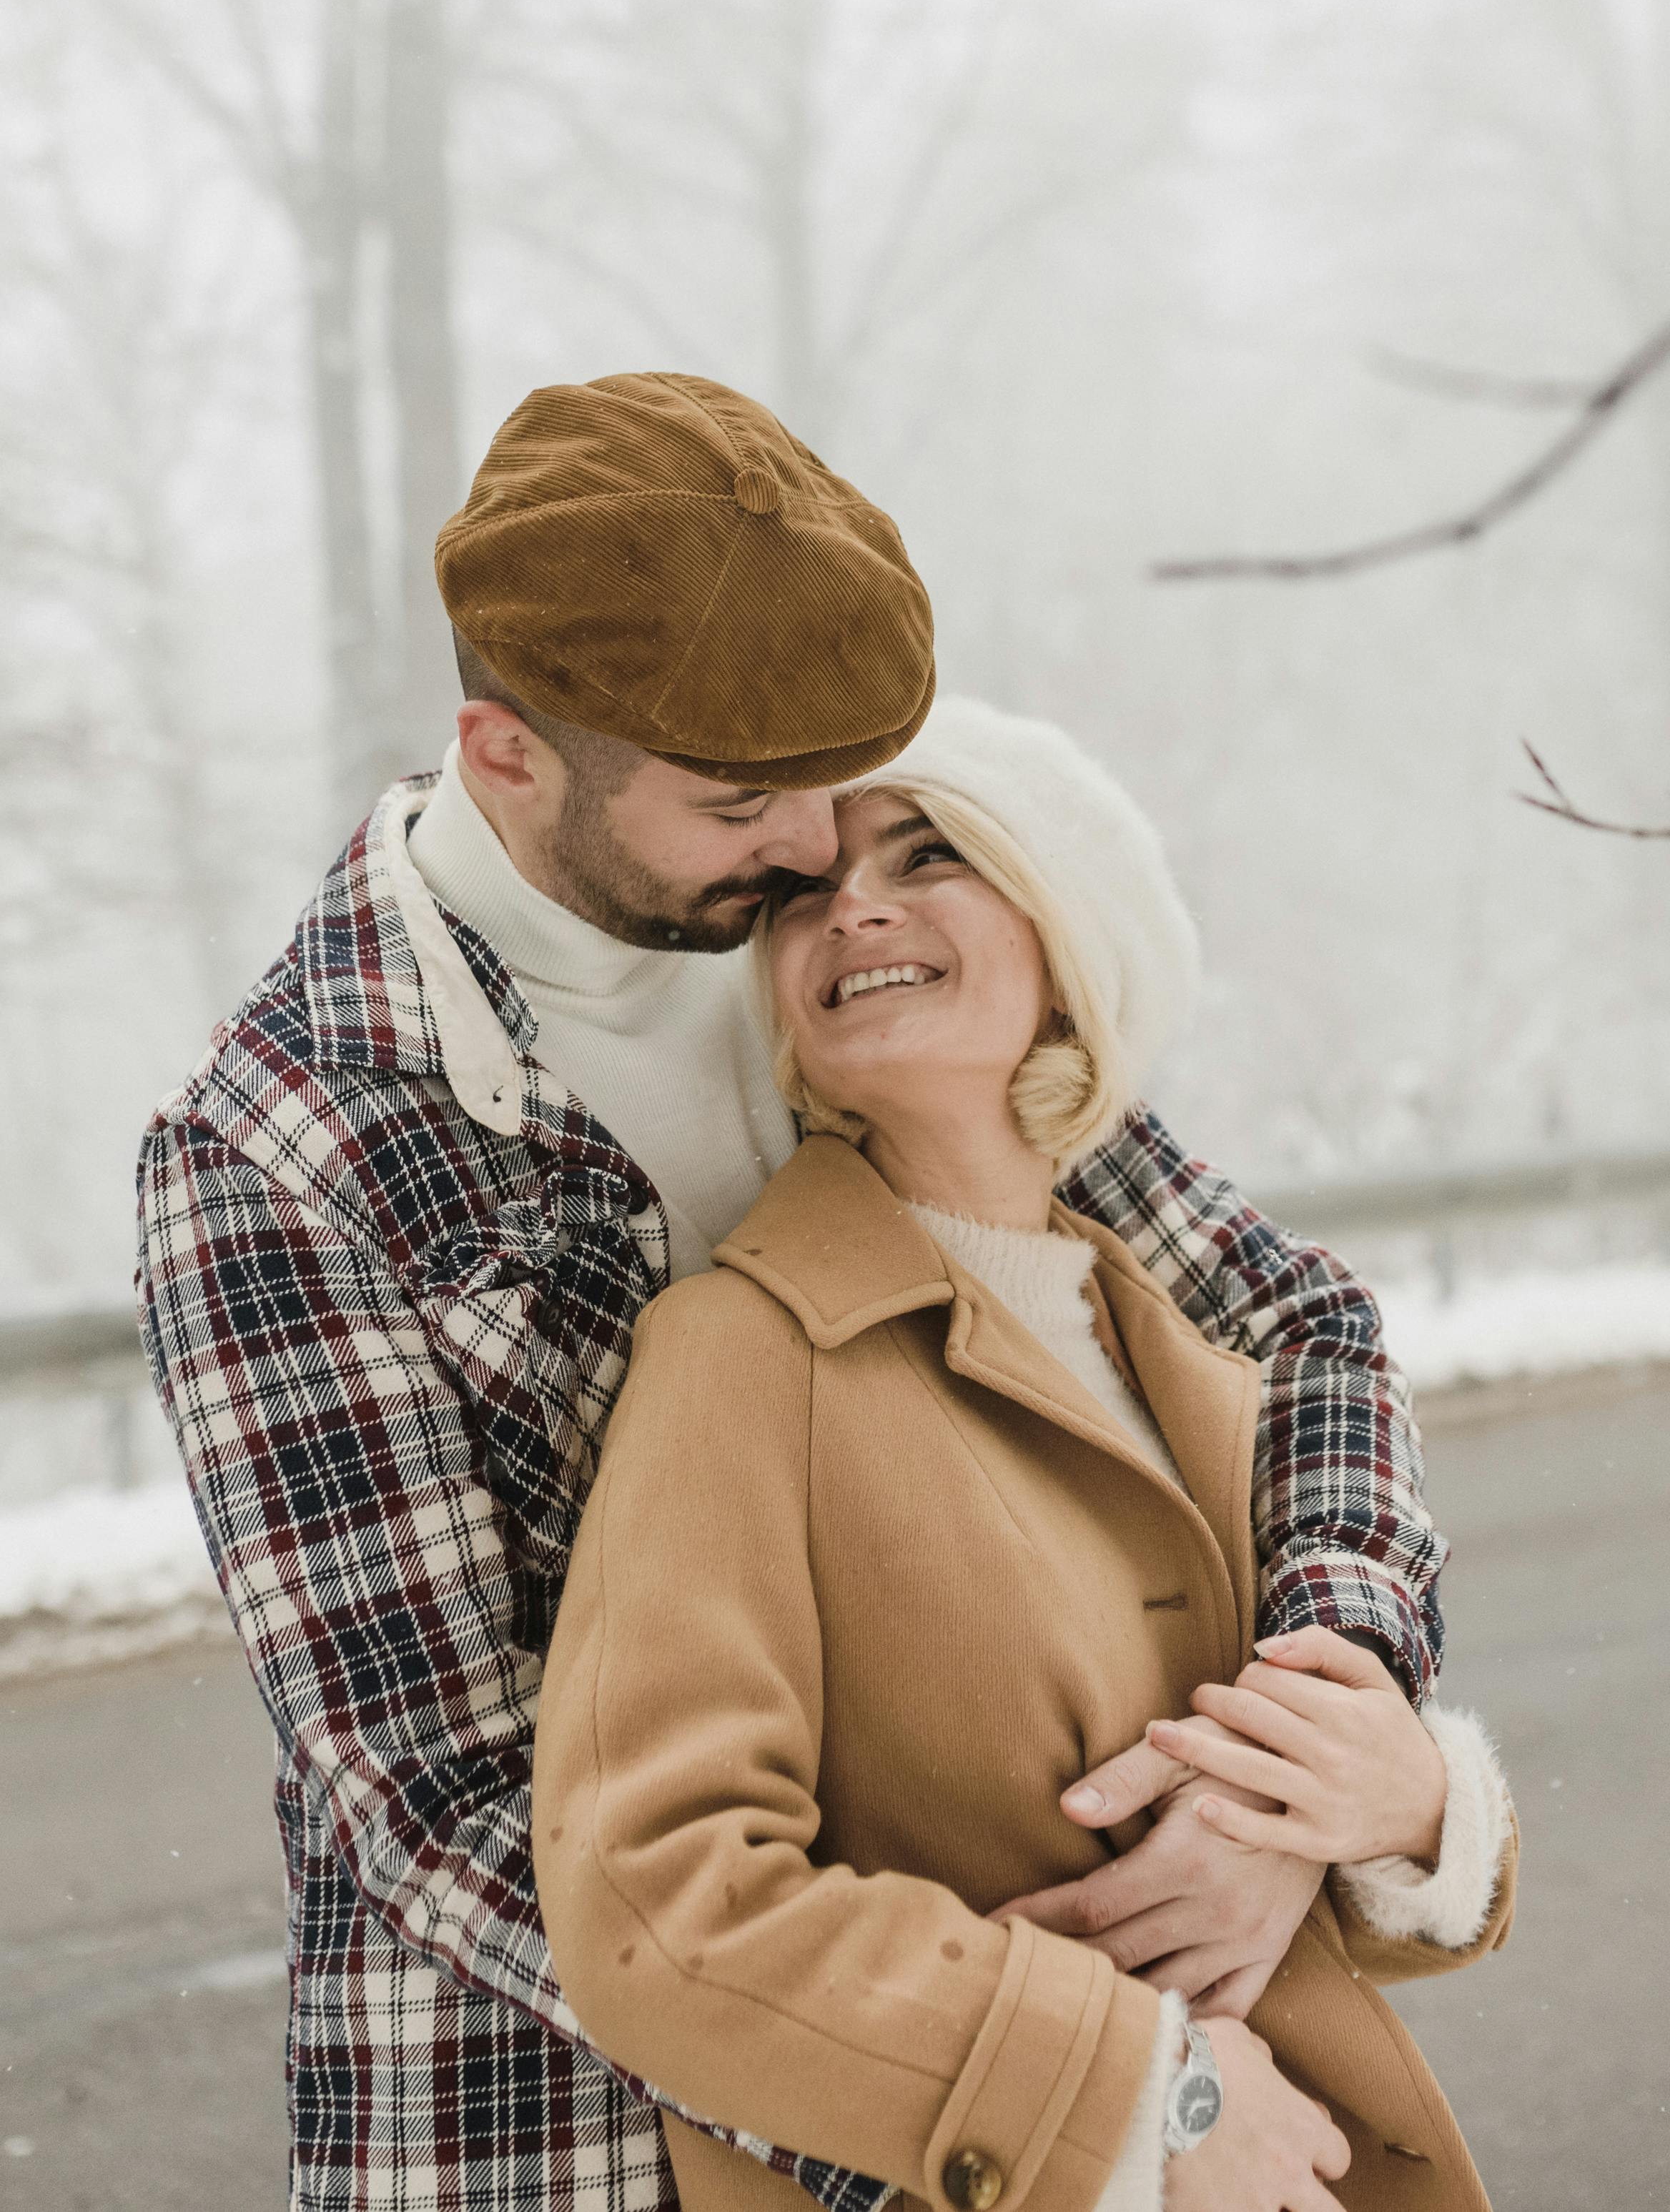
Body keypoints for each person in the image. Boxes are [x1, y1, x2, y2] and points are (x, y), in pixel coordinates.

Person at [138, 375, 1452, 2212]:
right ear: (505, 755)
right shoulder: (288, 1148)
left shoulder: (841, 970)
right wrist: (1063, 2091)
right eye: (744, 800)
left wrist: (1293, 1765)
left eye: (849, 778)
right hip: (559, 2135)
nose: (823, 852)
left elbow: (1288, 1327)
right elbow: (439, 1809)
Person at [532, 698, 1516, 2212]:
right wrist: (1140, 2091)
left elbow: (1336, 1904)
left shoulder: (1192, 1363)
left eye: (931, 856)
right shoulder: (740, 1355)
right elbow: (659, 1908)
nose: (853, 901)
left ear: (1065, 946)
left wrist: (1407, 1803)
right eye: (804, 890)